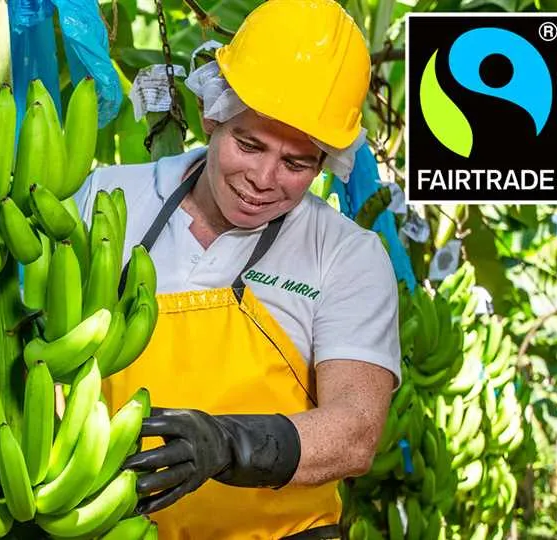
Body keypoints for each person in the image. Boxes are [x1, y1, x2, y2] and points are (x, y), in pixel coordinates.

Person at [73, 0, 402, 537]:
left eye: (296, 164)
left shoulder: (346, 254)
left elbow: (355, 431)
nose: (264, 178)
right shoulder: (109, 198)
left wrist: (229, 445)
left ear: (326, 164)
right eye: (249, 144)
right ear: (212, 115)